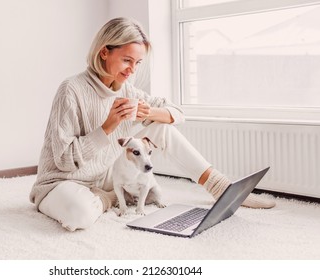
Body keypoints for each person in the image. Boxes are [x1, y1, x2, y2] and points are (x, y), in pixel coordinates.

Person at [29, 17, 275, 231]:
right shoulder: (71, 90)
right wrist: (108, 127)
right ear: (104, 52)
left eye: (137, 63)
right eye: (127, 60)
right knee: (79, 215)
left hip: (102, 174)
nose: (132, 70)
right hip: (62, 181)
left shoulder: (126, 90)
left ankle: (220, 187)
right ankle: (109, 198)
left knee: (162, 127)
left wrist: (152, 111)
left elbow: (178, 112)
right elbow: (63, 160)